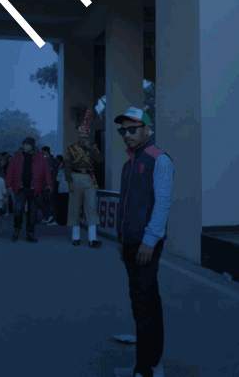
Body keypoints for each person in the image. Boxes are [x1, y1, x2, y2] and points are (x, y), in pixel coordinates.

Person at [113, 107, 174, 377]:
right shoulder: (129, 164)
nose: (126, 134)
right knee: (141, 303)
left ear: (147, 129)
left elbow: (162, 203)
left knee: (145, 305)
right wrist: (121, 240)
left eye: (132, 129)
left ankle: (147, 368)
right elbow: (125, 205)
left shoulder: (159, 159)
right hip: (130, 243)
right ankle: (148, 365)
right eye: (122, 130)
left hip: (145, 245)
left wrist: (149, 241)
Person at [64, 105, 104, 247]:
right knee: (74, 208)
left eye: (86, 135)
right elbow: (67, 166)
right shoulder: (71, 149)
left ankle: (93, 239)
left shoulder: (93, 147)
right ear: (79, 134)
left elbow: (99, 160)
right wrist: (69, 181)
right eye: (82, 134)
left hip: (89, 178)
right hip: (75, 177)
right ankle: (75, 237)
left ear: (88, 135)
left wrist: (89, 148)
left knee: (91, 208)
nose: (83, 137)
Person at [5, 137, 52, 243]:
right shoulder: (16, 156)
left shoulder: (41, 156)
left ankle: (30, 233)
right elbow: (10, 171)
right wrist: (8, 185)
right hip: (20, 188)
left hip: (34, 188)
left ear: (32, 146)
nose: (24, 146)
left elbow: (47, 171)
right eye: (24, 144)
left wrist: (49, 184)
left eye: (27, 145)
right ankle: (17, 229)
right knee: (18, 210)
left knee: (32, 213)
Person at [41, 146, 59, 225]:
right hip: (45, 185)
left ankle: (53, 218)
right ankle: (48, 217)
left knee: (51, 201)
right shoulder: (45, 160)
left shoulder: (51, 161)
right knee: (45, 201)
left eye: (42, 152)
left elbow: (53, 174)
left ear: (46, 151)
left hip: (50, 185)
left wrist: (51, 185)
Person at [55, 157, 69, 226]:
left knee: (61, 206)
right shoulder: (70, 171)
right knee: (65, 206)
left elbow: (57, 179)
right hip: (67, 190)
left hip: (62, 190)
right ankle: (64, 221)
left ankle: (61, 221)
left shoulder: (61, 170)